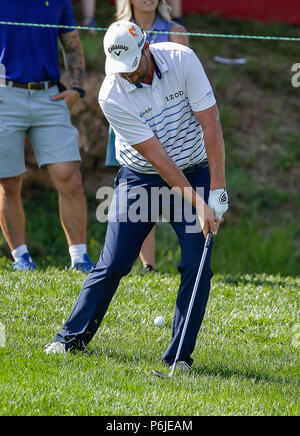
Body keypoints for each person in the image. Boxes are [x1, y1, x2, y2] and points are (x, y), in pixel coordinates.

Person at [45, 21, 229, 372]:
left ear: (146, 47)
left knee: (197, 264)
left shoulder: (182, 60)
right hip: (141, 178)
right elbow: (158, 159)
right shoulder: (110, 94)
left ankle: (179, 358)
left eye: (133, 67)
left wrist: (216, 192)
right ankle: (70, 338)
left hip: (194, 167)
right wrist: (198, 204)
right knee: (113, 263)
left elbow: (211, 125)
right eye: (121, 70)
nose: (128, 76)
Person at [0, 0, 94, 273]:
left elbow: (72, 42)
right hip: (5, 95)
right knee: (8, 182)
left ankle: (80, 259)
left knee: (70, 176)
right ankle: (21, 258)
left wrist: (77, 87)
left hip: (49, 95)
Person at [106, 0, 189, 275]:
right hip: (133, 121)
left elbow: (185, 80)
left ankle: (189, 260)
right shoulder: (117, 32)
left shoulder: (175, 30)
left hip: (170, 122)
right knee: (139, 192)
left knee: (176, 188)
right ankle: (148, 265)